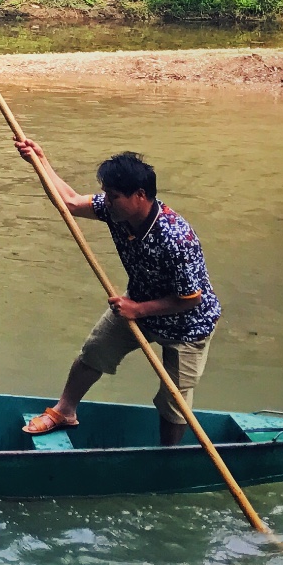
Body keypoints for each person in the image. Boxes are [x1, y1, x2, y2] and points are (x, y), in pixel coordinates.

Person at [16, 140, 221, 446]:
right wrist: (40, 161)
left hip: (187, 324)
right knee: (95, 351)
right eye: (107, 195)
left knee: (174, 400)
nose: (106, 202)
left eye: (113, 197)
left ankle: (168, 457)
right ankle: (65, 411)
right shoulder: (115, 211)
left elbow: (190, 298)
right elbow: (69, 202)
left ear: (140, 196)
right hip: (136, 302)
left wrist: (138, 310)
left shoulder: (177, 238)